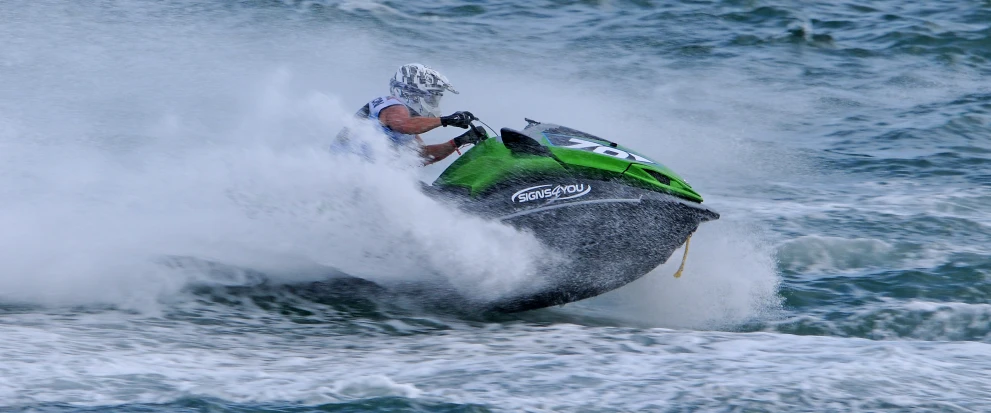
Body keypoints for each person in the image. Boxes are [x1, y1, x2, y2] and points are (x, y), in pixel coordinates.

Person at [335, 63, 486, 165]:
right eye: (432, 97)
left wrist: (459, 141)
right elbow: (404, 125)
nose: (435, 102)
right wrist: (447, 120)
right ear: (412, 92)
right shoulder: (392, 104)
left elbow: (421, 156)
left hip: (359, 174)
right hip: (347, 172)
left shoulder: (406, 124)